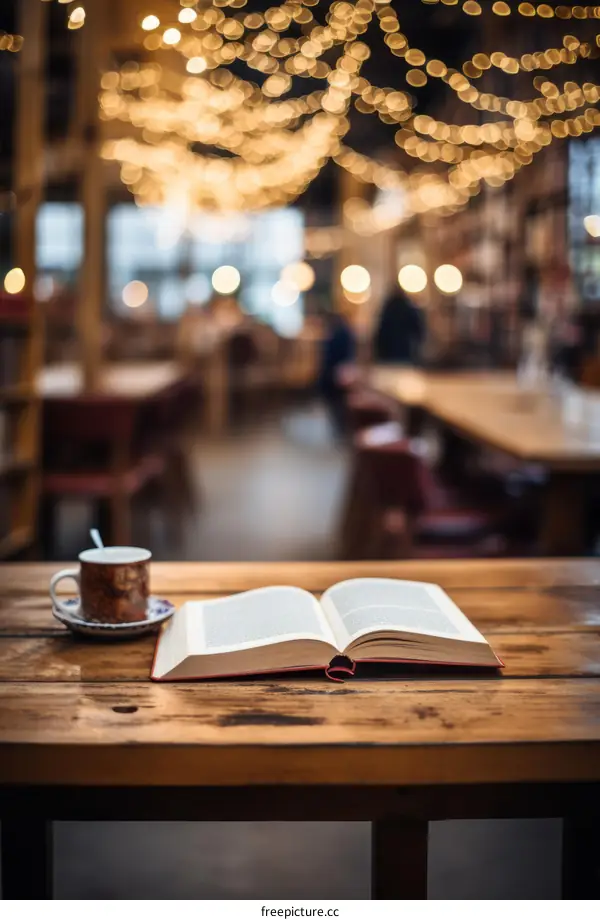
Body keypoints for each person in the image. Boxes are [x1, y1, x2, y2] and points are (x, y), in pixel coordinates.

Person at [317, 310, 357, 436]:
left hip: (334, 374)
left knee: (336, 402)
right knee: (339, 402)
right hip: (340, 373)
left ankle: (340, 426)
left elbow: (328, 357)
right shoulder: (345, 333)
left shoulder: (335, 334)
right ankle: (340, 426)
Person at [373, 288, 426, 364]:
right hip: (405, 351)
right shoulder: (409, 310)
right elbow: (418, 331)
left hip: (387, 354)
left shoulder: (387, 311)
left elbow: (380, 333)